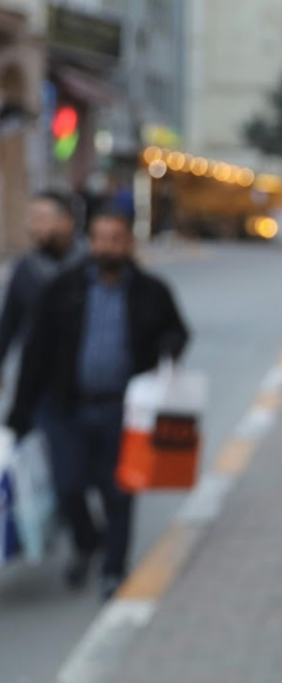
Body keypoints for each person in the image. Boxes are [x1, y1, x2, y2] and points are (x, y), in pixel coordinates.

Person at [5, 208, 190, 600]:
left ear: (128, 242)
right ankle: (87, 542)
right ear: (90, 242)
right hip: (66, 408)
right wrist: (20, 411)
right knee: (68, 486)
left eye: (115, 238)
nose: (107, 246)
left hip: (123, 412)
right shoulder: (64, 289)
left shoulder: (150, 291)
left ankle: (113, 569)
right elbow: (36, 352)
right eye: (100, 238)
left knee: (119, 491)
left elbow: (177, 329)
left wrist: (170, 345)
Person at [0, 191, 85, 382]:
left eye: (41, 219)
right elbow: (9, 323)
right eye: (31, 219)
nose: (33, 227)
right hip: (37, 378)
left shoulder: (89, 265)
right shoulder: (26, 268)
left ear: (66, 221)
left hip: (83, 381)